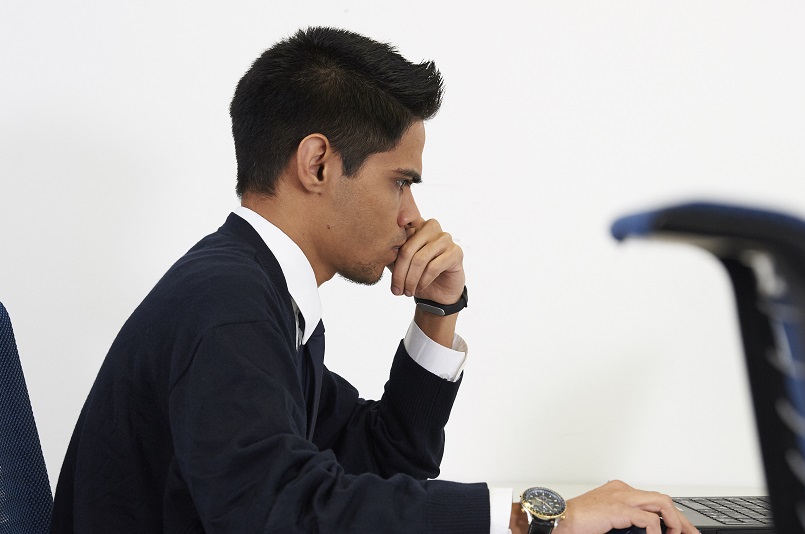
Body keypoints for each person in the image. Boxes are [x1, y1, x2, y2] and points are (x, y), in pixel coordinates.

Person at [50, 27, 698, 534]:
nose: (413, 216)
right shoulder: (229, 306)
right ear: (318, 163)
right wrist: (538, 517)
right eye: (401, 182)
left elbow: (382, 460)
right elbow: (281, 514)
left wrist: (437, 312)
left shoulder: (257, 291)